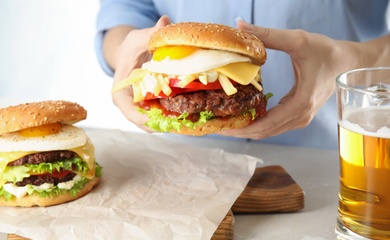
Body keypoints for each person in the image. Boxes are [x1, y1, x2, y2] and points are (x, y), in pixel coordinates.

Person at [95, 0, 390, 150]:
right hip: (179, 161)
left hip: (335, 156)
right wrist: (125, 49)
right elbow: (126, 10)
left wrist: (347, 61)